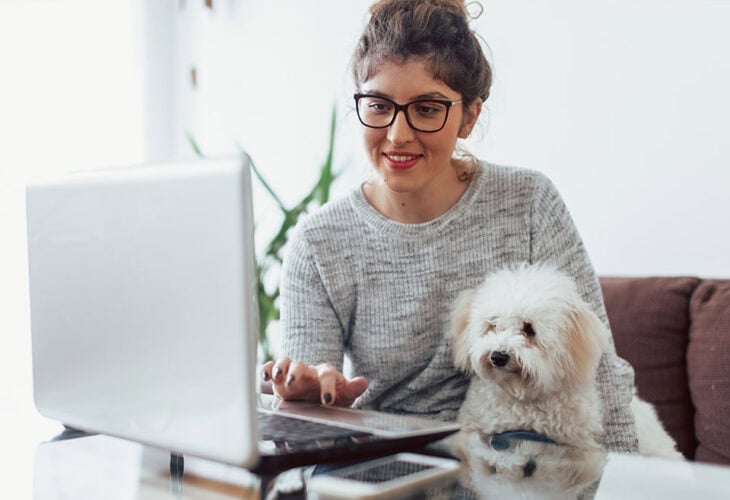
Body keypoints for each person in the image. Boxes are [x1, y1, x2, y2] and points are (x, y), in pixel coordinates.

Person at [261, 0, 639, 453]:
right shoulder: (319, 242)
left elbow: (600, 369)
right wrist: (309, 400)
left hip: (518, 465)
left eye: (427, 109)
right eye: (379, 105)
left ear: (470, 116)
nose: (398, 134)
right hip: (386, 466)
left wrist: (628, 482)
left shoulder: (528, 202)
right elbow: (305, 424)